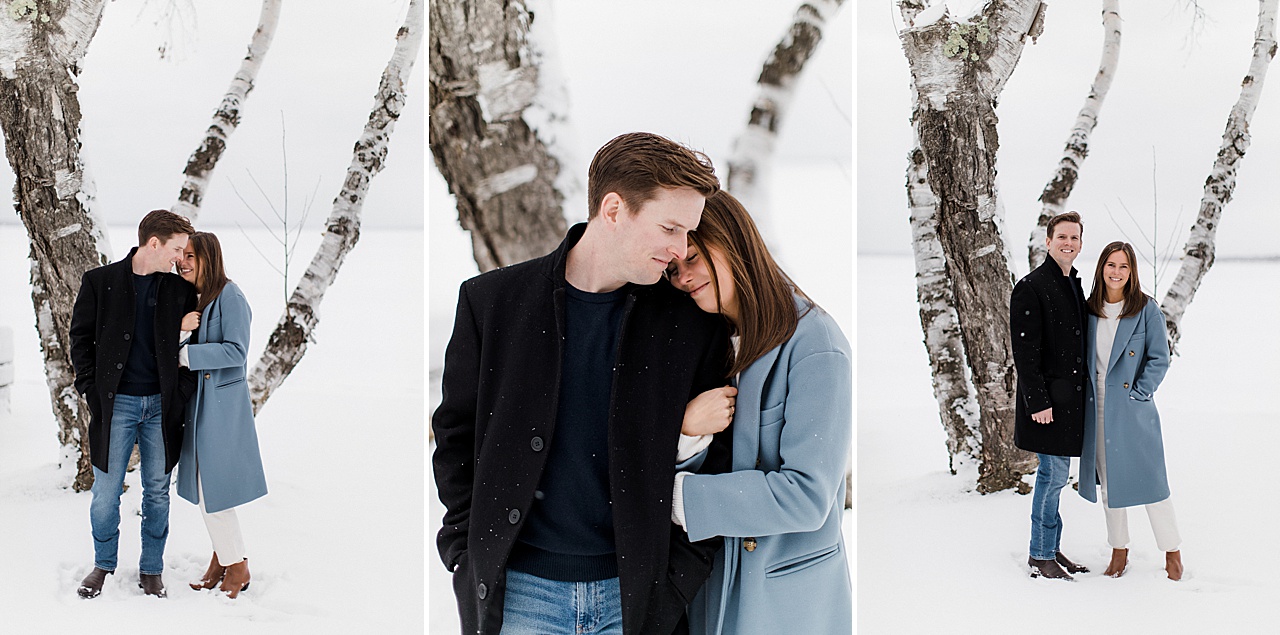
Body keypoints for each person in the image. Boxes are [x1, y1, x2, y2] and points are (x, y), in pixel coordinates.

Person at [432, 132, 732, 635]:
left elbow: (717, 463)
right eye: (671, 228)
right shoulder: (493, 303)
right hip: (518, 598)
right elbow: (455, 438)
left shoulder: (692, 324)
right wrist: (465, 553)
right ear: (613, 209)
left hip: (636, 599)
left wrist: (674, 584)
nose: (681, 250)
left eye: (688, 233)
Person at [666, 191, 852, 635]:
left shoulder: (815, 346)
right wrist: (688, 432)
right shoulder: (706, 340)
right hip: (711, 586)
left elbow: (807, 497)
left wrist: (674, 499)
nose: (683, 277)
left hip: (783, 602)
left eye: (692, 257)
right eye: (672, 269)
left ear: (733, 241)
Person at [69, 210, 199, 599]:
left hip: (162, 407)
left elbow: (191, 348)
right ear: (153, 243)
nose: (179, 258)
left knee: (157, 492)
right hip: (116, 407)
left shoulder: (179, 291)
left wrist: (180, 393)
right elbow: (80, 340)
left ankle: (152, 569)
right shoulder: (100, 281)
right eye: (176, 248)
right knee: (106, 492)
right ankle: (103, 564)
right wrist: (91, 390)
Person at [1077, 241, 1182, 580]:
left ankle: (1172, 550)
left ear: (1132, 271)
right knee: (1111, 485)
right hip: (1098, 410)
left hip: (1134, 409)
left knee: (1153, 483)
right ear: (1102, 268)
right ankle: (1119, 550)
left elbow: (1159, 358)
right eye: (1111, 265)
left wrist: (1140, 393)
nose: (1117, 272)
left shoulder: (1145, 309)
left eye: (1124, 266)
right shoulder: (1089, 310)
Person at [173, 231, 268, 598]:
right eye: (182, 255)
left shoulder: (232, 297)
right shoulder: (192, 297)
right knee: (204, 486)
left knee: (212, 489)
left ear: (209, 258)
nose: (184, 262)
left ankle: (238, 568)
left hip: (222, 407)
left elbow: (236, 352)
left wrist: (186, 358)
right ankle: (223, 557)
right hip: (197, 405)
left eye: (192, 256)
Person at [1010, 211, 1091, 580]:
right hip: (1046, 405)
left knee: (1057, 477)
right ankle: (1040, 553)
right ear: (1047, 240)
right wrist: (1038, 402)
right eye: (1062, 237)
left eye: (1074, 238)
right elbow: (1025, 354)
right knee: (1051, 475)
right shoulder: (1031, 286)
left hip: (1068, 405)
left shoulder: (1072, 282)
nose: (1068, 244)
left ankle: (1050, 549)